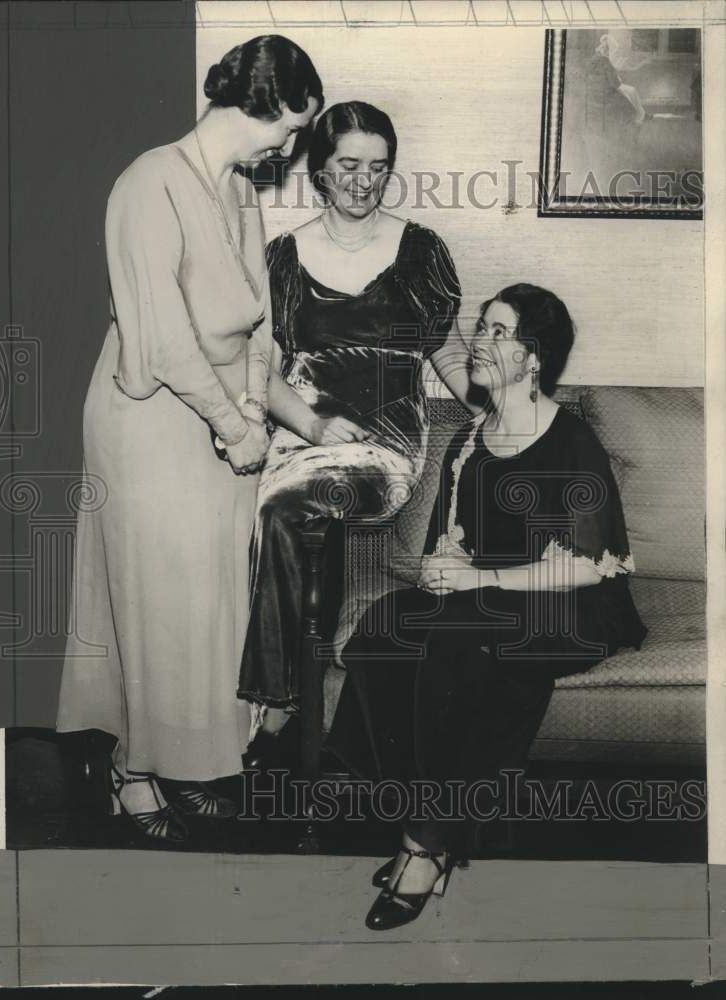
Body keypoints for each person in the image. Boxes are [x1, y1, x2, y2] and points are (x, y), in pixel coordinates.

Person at [57, 35, 323, 844]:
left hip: (223, 421)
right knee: (153, 601)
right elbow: (165, 339)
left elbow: (259, 327)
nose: (290, 146)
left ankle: (187, 758)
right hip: (149, 421)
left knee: (210, 603)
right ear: (262, 105)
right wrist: (236, 424)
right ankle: (134, 771)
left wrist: (254, 410)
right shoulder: (148, 183)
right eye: (291, 128)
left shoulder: (242, 191)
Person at [326, 283, 648, 930]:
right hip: (491, 595)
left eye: (498, 332)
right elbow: (453, 542)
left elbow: (591, 564)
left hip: (570, 603)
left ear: (534, 358)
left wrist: (473, 582)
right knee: (382, 627)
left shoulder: (570, 440)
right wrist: (443, 564)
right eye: (482, 327)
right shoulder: (470, 438)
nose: (479, 340)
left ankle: (425, 846)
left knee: (456, 642)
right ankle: (419, 810)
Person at [236, 101, 479, 756]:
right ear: (320, 168)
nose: (364, 180)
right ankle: (263, 700)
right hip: (305, 429)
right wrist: (313, 427)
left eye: (379, 167)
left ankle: (279, 703)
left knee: (293, 508)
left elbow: (449, 352)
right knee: (277, 509)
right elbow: (262, 369)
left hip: (384, 439)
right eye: (349, 164)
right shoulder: (282, 258)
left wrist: (493, 406)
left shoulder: (421, 251)